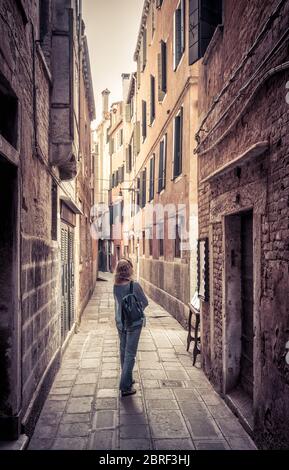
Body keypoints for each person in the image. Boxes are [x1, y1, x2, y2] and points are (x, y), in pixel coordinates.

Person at [113, 258, 148, 397]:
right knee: (130, 354)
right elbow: (145, 302)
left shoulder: (115, 285)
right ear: (129, 270)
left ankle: (127, 377)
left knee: (123, 350)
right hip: (133, 323)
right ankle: (125, 386)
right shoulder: (135, 285)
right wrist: (135, 309)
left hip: (120, 322)